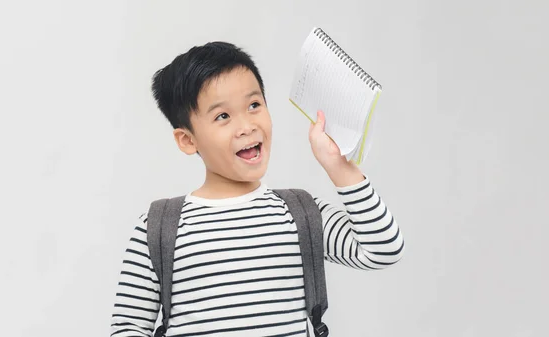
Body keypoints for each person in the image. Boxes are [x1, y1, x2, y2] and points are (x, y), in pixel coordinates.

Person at [110, 41, 404, 337]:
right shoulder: (159, 228)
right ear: (188, 140)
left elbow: (382, 249)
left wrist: (339, 167)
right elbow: (128, 327)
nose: (247, 126)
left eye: (254, 105)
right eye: (222, 116)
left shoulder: (300, 213)